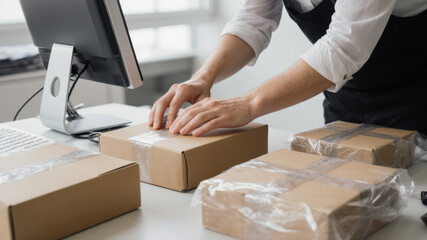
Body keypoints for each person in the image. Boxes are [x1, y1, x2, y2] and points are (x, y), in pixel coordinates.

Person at [149, 0, 427, 136]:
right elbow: (252, 21)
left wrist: (248, 104)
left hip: (416, 98)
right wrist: (202, 78)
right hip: (345, 99)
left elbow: (343, 46)